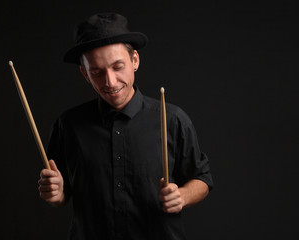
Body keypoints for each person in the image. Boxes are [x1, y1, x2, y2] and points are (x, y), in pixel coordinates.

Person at [38, 12, 213, 240]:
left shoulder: (173, 119)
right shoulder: (67, 125)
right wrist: (56, 193)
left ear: (135, 61)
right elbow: (62, 195)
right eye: (97, 72)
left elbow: (202, 178)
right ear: (85, 74)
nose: (110, 82)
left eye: (118, 66)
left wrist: (182, 196)